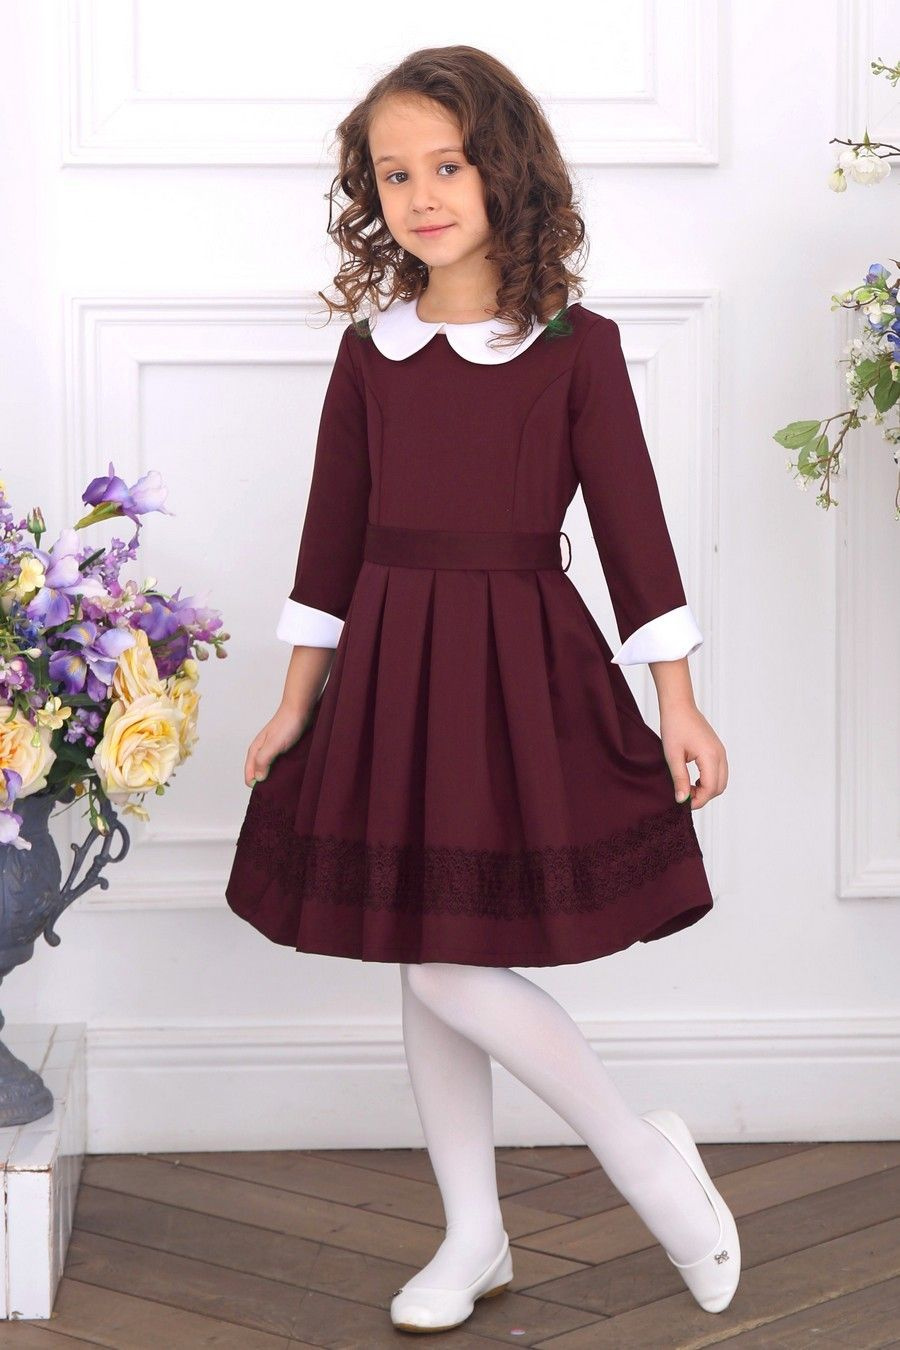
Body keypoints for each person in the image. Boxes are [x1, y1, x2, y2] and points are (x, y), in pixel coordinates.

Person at [225, 44, 739, 1334]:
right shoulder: (371, 353)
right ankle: (473, 1233)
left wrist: (677, 699)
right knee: (426, 956)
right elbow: (329, 538)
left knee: (448, 962)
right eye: (394, 174)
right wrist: (295, 699)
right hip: (389, 669)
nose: (422, 195)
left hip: (520, 670)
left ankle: (640, 1156)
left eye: (446, 165)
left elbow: (634, 533)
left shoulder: (575, 349)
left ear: (505, 170)